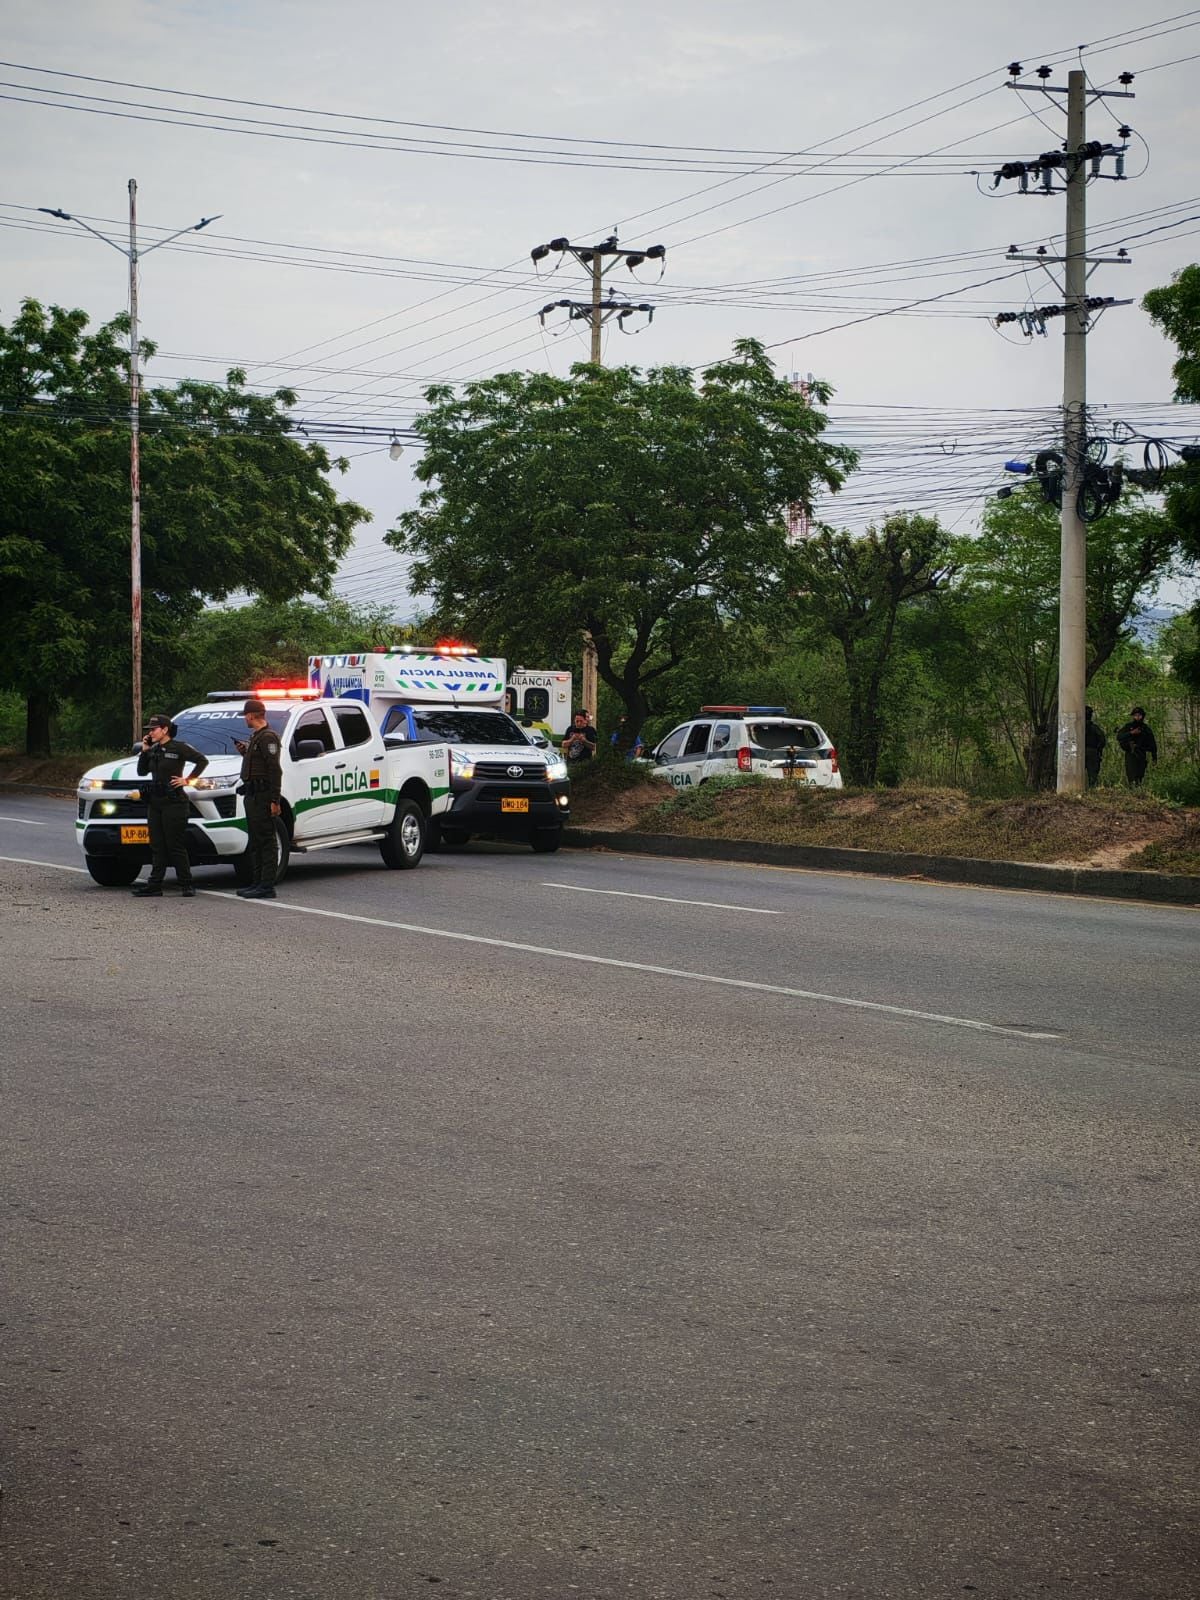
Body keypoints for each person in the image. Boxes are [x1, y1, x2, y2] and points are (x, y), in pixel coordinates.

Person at [131, 714, 208, 897]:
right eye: (149, 730)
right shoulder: (153, 750)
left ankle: (186, 884)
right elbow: (142, 772)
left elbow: (202, 760)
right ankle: (155, 885)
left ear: (165, 729)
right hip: (156, 802)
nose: (151, 732)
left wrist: (187, 780)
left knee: (175, 845)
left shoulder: (178, 748)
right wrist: (145, 750)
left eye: (154, 729)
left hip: (174, 803)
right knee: (157, 845)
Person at [233, 697, 284, 898]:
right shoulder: (256, 737)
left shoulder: (268, 737)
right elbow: (258, 764)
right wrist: (245, 752)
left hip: (263, 796)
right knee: (255, 841)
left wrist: (275, 800)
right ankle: (256, 882)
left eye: (246, 715)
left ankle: (266, 885)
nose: (244, 719)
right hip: (253, 795)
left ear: (252, 715)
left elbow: (274, 770)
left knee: (266, 841)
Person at [1115, 705, 1158, 787]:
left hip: (1141, 754)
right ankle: (1132, 791)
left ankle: (1138, 792)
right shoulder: (1128, 727)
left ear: (1142, 716)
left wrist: (1154, 758)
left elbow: (1153, 744)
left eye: (1139, 715)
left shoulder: (1146, 729)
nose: (1137, 717)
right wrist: (1131, 733)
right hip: (1130, 754)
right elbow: (1119, 736)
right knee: (1131, 776)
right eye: (1135, 715)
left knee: (1140, 776)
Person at [1084, 706, 1107, 788]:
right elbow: (1102, 740)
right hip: (1092, 752)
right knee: (1092, 774)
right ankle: (1091, 788)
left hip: (1082, 752)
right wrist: (1098, 749)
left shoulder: (1077, 727)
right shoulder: (1094, 728)